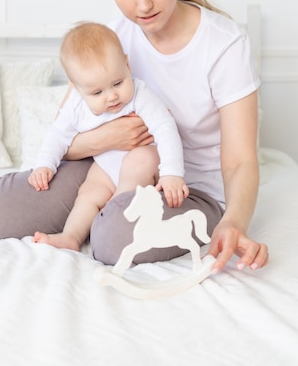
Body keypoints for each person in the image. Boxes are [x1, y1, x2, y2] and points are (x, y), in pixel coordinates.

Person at [0, 0, 268, 274]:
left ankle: (104, 218)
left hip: (186, 188)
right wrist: (103, 139)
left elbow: (239, 162)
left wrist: (234, 221)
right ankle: (67, 207)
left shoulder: (223, 44)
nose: (143, 6)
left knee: (112, 239)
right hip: (105, 166)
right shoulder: (113, 36)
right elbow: (66, 132)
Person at [29, 21, 189, 251]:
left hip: (143, 163)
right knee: (88, 194)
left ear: (127, 65)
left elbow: (166, 128)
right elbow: (57, 136)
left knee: (140, 160)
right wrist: (44, 165)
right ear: (76, 88)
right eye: (97, 92)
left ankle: (113, 216)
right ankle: (71, 236)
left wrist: (172, 173)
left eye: (117, 83)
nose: (112, 96)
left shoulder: (140, 95)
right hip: (105, 164)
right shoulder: (75, 106)